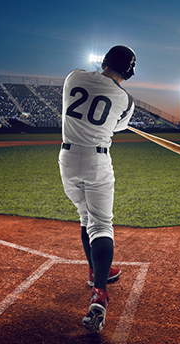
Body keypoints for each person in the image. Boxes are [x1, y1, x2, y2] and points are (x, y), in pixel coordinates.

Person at [58, 45, 136, 333]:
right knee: (101, 224)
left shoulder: (73, 77)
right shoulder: (126, 100)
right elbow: (115, 127)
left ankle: (95, 272)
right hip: (97, 159)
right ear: (129, 71)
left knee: (84, 215)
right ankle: (99, 292)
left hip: (67, 157)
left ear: (104, 61)